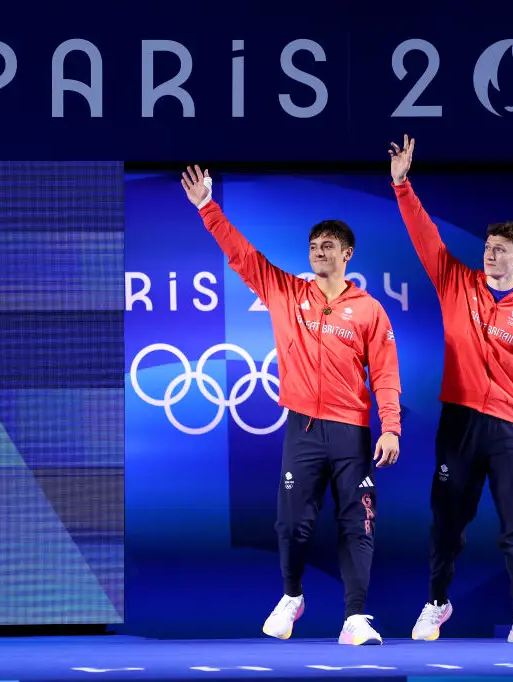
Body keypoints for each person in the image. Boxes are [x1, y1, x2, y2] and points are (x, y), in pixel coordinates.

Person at [180, 165, 402, 646]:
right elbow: (242, 256)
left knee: (357, 521)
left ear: (347, 254)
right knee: (292, 523)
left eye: (328, 247)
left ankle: (356, 617)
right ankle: (292, 596)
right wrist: (206, 206)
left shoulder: (368, 310)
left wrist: (391, 428)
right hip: (302, 428)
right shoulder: (286, 292)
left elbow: (385, 374)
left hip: (352, 432)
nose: (318, 253)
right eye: (313, 247)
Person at [386, 137, 513, 644]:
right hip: (459, 423)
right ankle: (437, 604)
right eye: (487, 247)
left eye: (500, 250)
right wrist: (401, 184)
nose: (490, 255)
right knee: (447, 523)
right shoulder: (455, 282)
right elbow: (426, 236)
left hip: (510, 429)